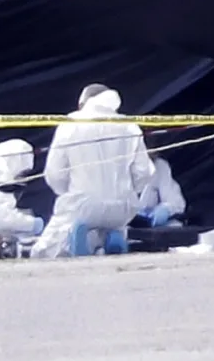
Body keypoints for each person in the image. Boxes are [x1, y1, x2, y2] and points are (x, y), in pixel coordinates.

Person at [32, 83, 154, 259]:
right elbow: (144, 172)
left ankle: (76, 242)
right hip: (122, 208)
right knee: (111, 225)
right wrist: (127, 192)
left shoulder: (71, 124)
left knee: (45, 251)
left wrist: (67, 193)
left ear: (83, 102)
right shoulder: (129, 125)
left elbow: (54, 173)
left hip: (82, 205)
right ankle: (111, 238)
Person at [135, 156, 186, 228]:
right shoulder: (117, 169)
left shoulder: (159, 167)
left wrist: (166, 209)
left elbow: (176, 202)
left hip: (150, 231)